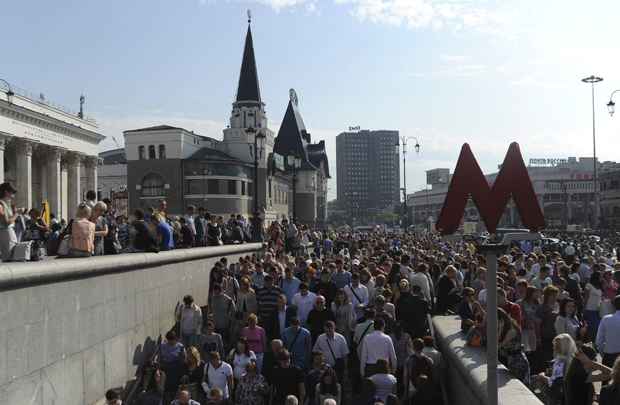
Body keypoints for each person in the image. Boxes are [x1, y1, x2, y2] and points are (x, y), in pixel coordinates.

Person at [497, 307, 530, 385]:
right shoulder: (506, 328)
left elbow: (498, 345)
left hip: (518, 361)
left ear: (501, 320)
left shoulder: (511, 330)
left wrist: (500, 329)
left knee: (522, 384)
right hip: (512, 360)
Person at [403, 338, 435, 405]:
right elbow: (432, 375)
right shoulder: (429, 360)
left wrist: (405, 392)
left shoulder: (408, 360)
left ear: (413, 347)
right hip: (426, 389)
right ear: (423, 347)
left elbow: (406, 377)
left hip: (413, 389)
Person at [596, 295, 620, 371]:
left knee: (606, 381)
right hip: (610, 356)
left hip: (609, 357)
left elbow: (599, 341)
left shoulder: (606, 319)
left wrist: (604, 354)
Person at [0, 182, 18, 261]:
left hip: (8, 232)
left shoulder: (6, 204)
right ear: (6, 192)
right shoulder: (1, 204)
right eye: (13, 192)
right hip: (6, 232)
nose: (14, 195)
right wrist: (17, 214)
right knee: (10, 256)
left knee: (12, 255)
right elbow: (6, 222)